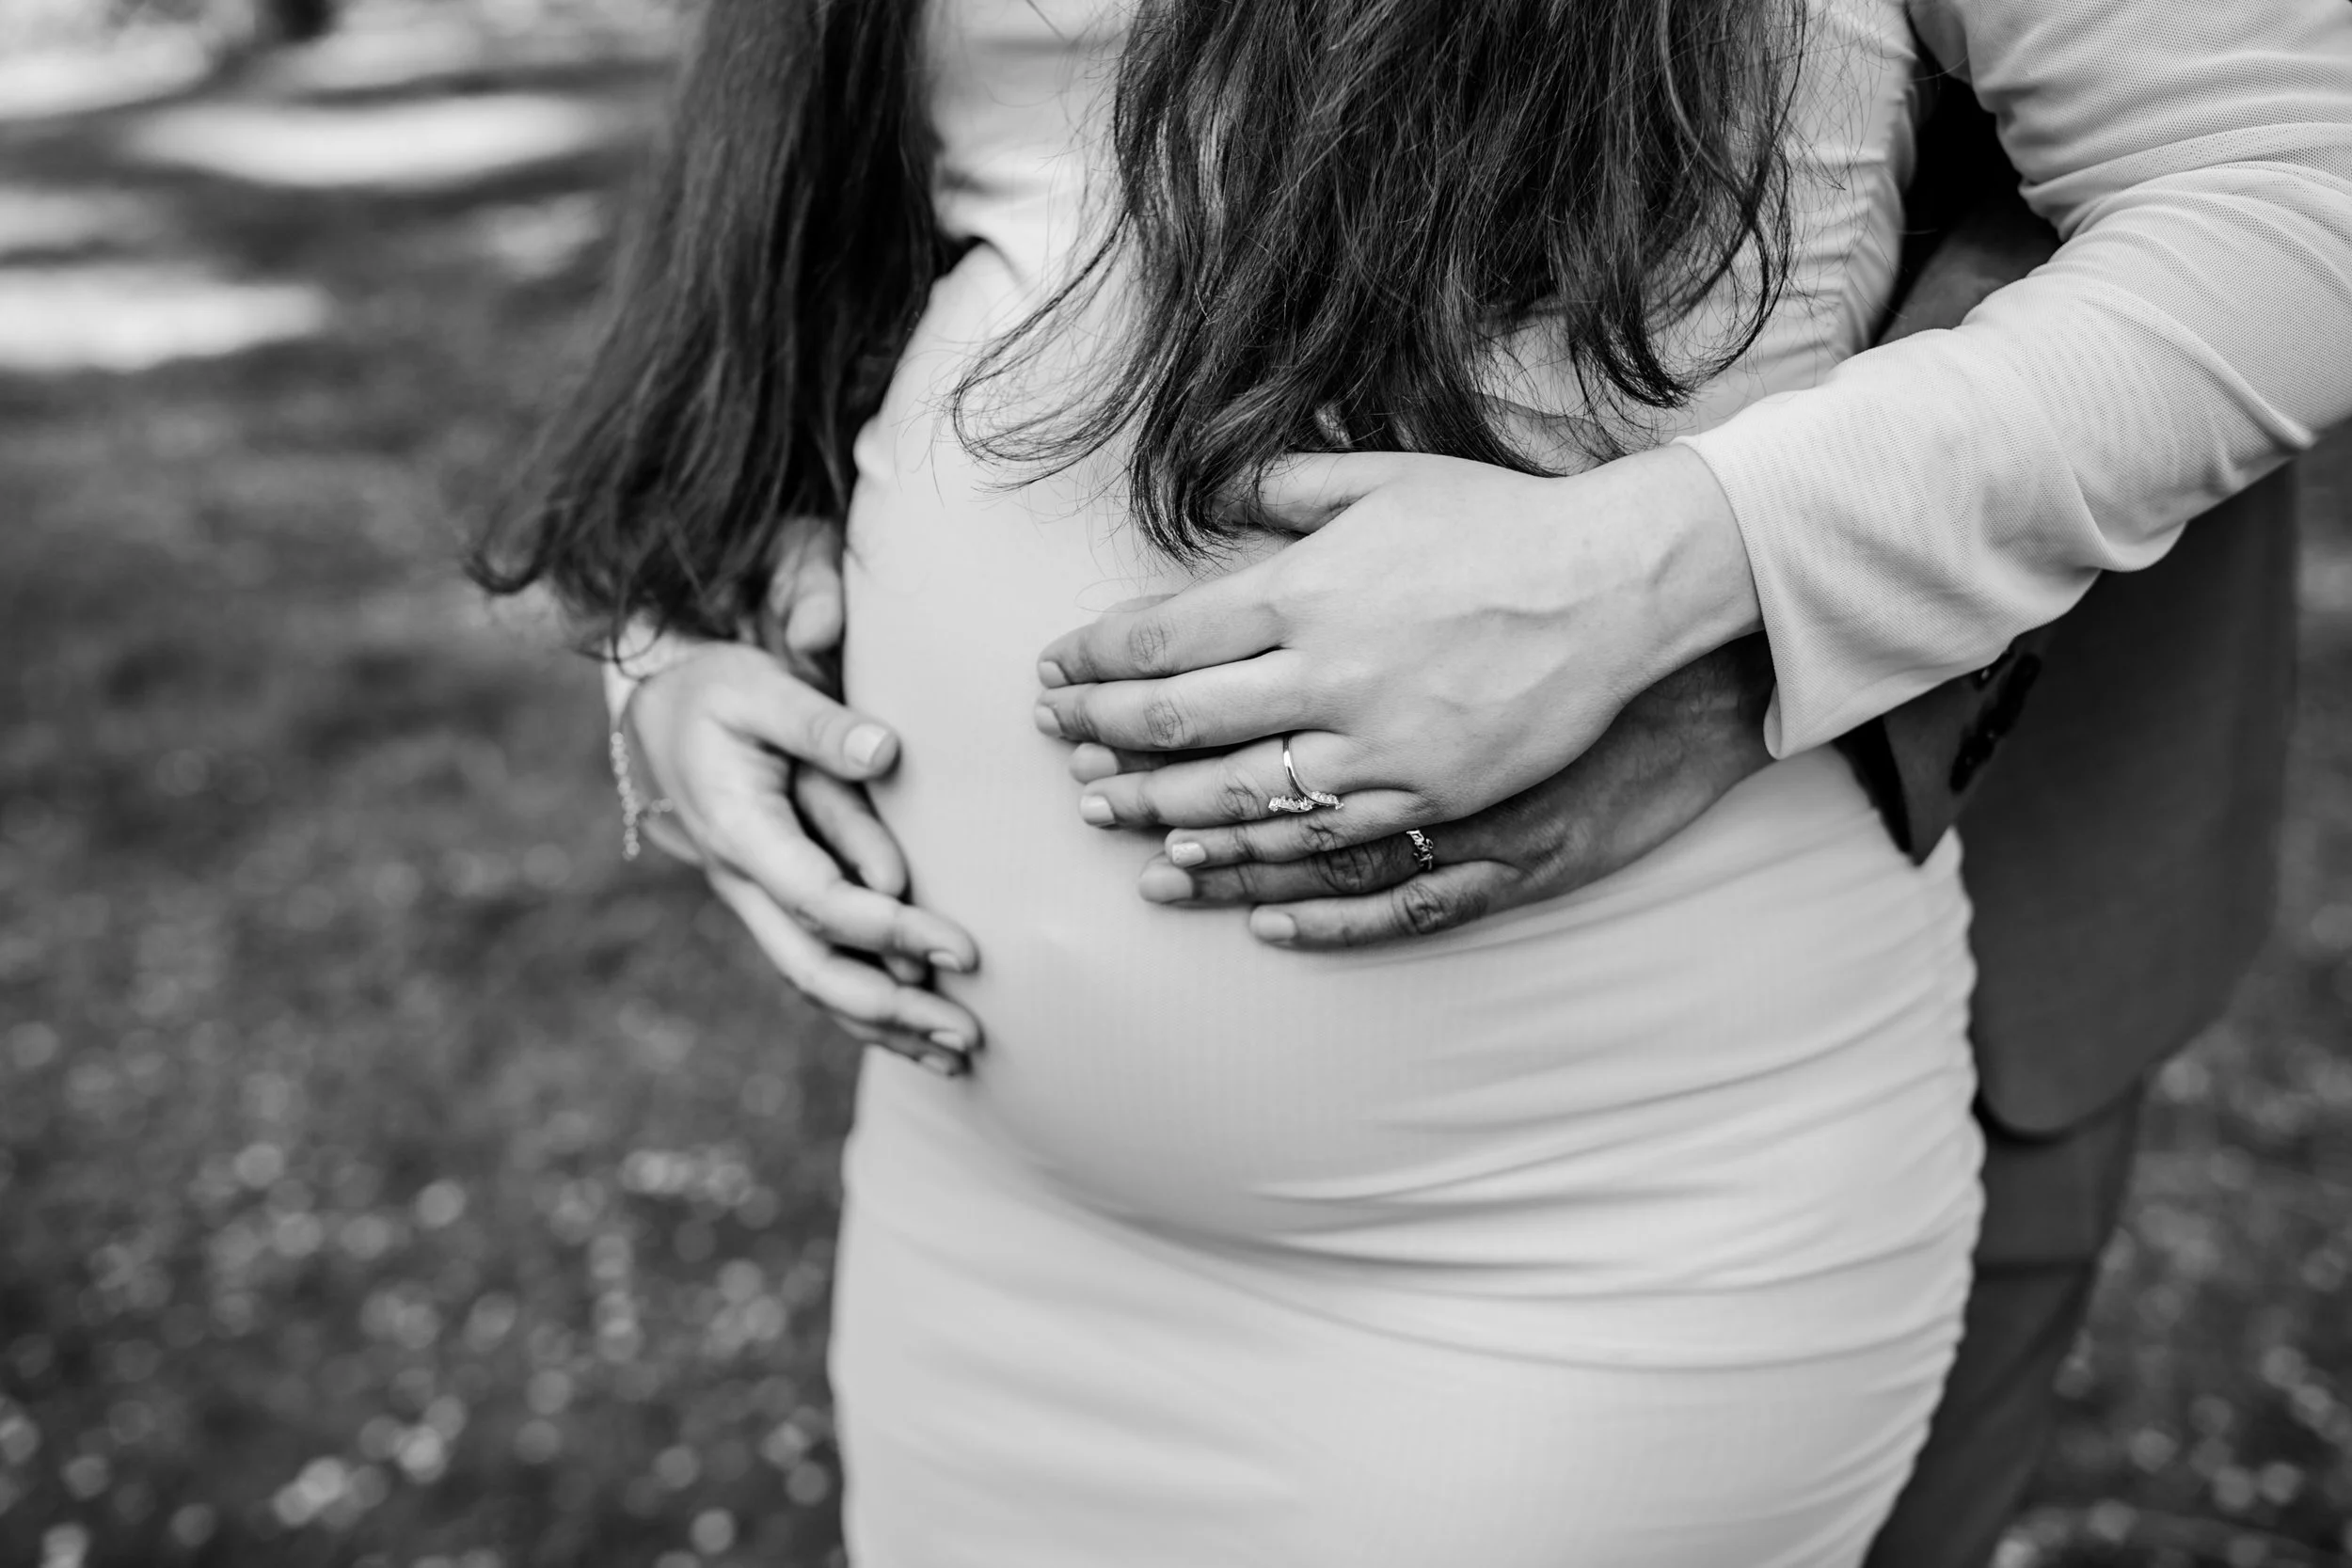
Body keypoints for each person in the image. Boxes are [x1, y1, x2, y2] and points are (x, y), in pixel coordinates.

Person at [471, 2, 2352, 1563]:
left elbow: (2284, 174)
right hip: (979, 1209)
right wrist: (680, 640)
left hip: (1581, 1236)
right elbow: (896, 227)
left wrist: (1675, 563)